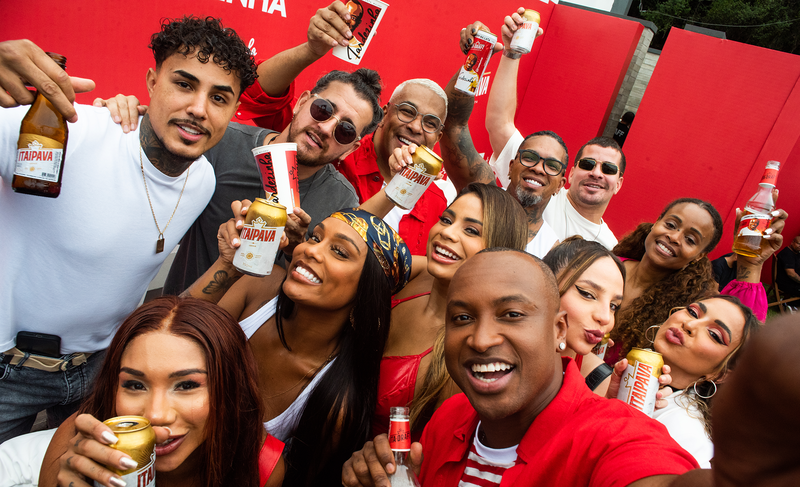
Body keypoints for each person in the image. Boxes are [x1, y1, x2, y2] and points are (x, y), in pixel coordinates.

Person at [0, 17, 258, 443]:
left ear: (232, 113)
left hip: (101, 375)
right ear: (151, 83)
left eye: (219, 97)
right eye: (184, 84)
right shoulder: (67, 131)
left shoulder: (203, 182)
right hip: (8, 372)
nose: (199, 107)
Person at [342, 249, 700, 487]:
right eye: (462, 318)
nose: (480, 340)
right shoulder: (450, 416)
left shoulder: (613, 437)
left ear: (558, 329)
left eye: (511, 315)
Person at [185, 207, 412, 486]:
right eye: (316, 238)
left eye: (339, 252)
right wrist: (228, 267)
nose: (311, 251)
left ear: (366, 292)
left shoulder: (334, 404)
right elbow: (166, 335)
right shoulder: (258, 288)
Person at [234, 2, 453, 255]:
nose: (415, 127)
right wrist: (311, 50)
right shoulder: (321, 149)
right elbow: (257, 94)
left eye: (430, 123)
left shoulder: (438, 201)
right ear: (386, 112)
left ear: (438, 136)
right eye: (407, 111)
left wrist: (405, 184)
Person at [34, 297, 283, 487]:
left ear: (231, 389)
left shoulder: (261, 465)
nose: (156, 415)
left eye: (187, 385)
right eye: (135, 385)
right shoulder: (74, 441)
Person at [371, 183, 528, 439]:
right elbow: (353, 239)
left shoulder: (469, 352)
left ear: (498, 252)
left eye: (471, 230)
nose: (447, 233)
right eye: (446, 219)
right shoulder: (418, 273)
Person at [482, 9, 622, 250]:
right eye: (588, 164)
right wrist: (511, 54)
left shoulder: (607, 247)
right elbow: (499, 123)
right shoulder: (540, 179)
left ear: (618, 183)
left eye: (608, 169)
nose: (596, 173)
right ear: (568, 175)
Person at [436, 18, 561, 258]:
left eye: (552, 165)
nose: (538, 168)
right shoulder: (483, 196)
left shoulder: (553, 252)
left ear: (561, 184)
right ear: (511, 164)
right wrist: (479, 56)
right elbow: (452, 124)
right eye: (530, 158)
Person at [606, 197, 784, 364]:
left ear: (700, 256)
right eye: (671, 224)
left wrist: (750, 264)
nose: (674, 237)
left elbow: (740, 339)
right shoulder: (606, 266)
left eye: (690, 239)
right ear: (657, 222)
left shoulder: (687, 310)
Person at [643, 295, 760, 468]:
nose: (689, 325)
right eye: (693, 312)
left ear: (721, 374)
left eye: (714, 334)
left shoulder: (686, 435)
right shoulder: (626, 371)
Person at [542, 236, 625, 395]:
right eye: (588, 294)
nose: (606, 318)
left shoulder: (602, 382)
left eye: (613, 306)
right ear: (545, 285)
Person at [775, 235, 800, 299]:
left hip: (791, 282)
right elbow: (791, 274)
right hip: (786, 283)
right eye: (798, 244)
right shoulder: (787, 254)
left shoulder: (795, 253)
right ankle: (790, 305)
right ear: (792, 242)